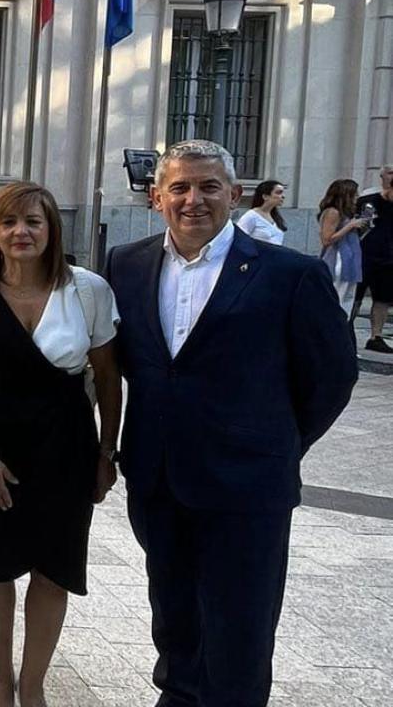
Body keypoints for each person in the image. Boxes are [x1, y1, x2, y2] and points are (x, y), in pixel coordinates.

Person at [103, 139, 355, 707]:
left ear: (235, 195)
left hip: (248, 491)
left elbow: (332, 378)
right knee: (174, 619)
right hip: (159, 481)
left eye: (209, 186)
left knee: (239, 634)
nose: (194, 199)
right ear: (157, 197)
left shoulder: (291, 275)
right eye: (180, 188)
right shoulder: (126, 263)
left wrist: (275, 445)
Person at [0, 182, 123, 707]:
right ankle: (0, 676)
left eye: (33, 222)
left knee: (55, 562)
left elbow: (108, 378)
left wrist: (106, 454)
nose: (21, 232)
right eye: (9, 223)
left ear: (51, 230)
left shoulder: (87, 289)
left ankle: (35, 682)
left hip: (65, 437)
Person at [356, 166, 393, 347]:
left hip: (388, 258)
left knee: (383, 298)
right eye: (391, 172)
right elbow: (360, 225)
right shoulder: (369, 199)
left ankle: (376, 336)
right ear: (382, 176)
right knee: (356, 295)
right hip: (365, 255)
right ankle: (347, 328)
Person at [317, 178, 366, 314]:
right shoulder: (333, 212)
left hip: (351, 259)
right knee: (336, 296)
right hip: (338, 259)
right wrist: (350, 226)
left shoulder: (347, 213)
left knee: (347, 299)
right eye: (354, 194)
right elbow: (326, 240)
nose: (357, 197)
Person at [236, 179, 286, 245]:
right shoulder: (252, 216)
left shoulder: (276, 218)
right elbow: (239, 239)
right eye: (278, 193)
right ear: (265, 196)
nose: (283, 196)